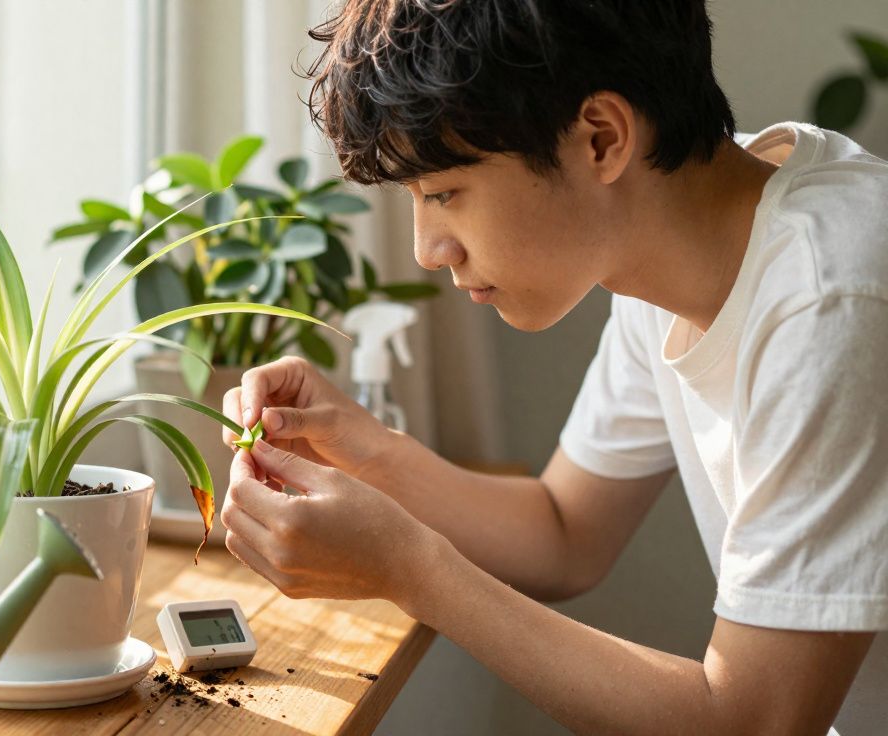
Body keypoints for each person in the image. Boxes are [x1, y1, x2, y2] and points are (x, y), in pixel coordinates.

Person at [218, 1, 888, 733]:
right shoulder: (660, 244)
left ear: (601, 138)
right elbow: (565, 533)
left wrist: (410, 570)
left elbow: (756, 721)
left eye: (443, 193)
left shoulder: (831, 294)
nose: (427, 249)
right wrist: (367, 452)